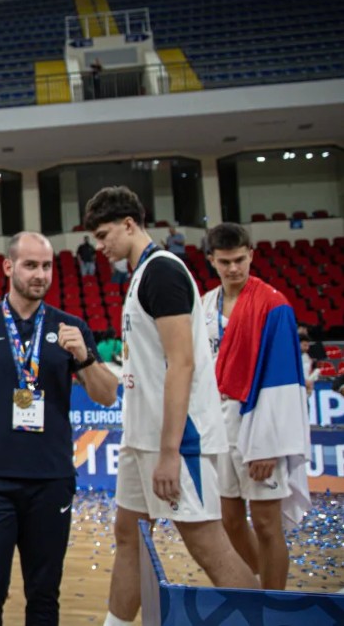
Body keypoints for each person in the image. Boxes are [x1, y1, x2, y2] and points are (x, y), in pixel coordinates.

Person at [83, 187, 258, 626]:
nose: (99, 247)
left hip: (180, 441)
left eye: (103, 235)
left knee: (207, 545)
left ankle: (266, 620)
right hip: (141, 437)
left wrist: (169, 452)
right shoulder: (142, 274)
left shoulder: (162, 271)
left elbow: (182, 363)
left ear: (129, 224)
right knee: (128, 536)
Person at [0, 232, 119, 626]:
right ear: (8, 266)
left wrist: (85, 357)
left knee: (44, 593)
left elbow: (106, 395)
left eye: (47, 266)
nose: (40, 274)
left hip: (50, 480)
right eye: (30, 265)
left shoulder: (70, 327)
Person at [202, 222, 310, 590]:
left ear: (251, 255)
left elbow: (282, 381)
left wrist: (268, 445)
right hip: (217, 426)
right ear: (212, 260)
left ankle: (273, 604)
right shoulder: (204, 305)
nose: (233, 268)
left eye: (239, 259)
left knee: (265, 523)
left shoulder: (274, 305)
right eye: (225, 262)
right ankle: (257, 587)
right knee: (229, 521)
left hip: (257, 424)